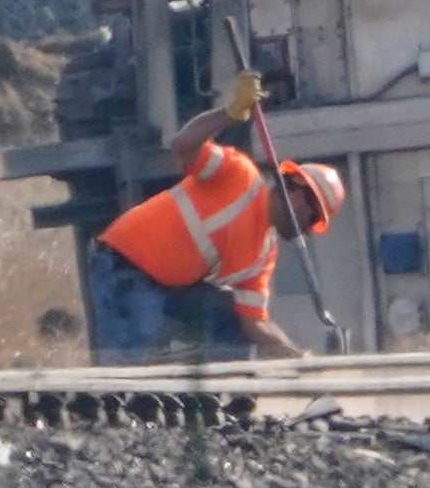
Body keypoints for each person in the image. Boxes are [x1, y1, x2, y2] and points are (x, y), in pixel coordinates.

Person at [86, 69, 344, 362]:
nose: (307, 229)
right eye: (311, 216)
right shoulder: (239, 174)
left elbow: (254, 322)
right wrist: (231, 112)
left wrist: (295, 356)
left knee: (230, 321)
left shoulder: (262, 255)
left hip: (169, 289)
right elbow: (183, 144)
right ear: (296, 192)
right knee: (135, 361)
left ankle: (228, 400)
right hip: (124, 266)